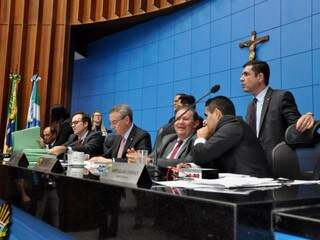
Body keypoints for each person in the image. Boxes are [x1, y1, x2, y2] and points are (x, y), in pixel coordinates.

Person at [240, 60, 314, 165]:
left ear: (260, 77)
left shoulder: (281, 97)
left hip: (279, 166)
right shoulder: (250, 106)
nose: (241, 79)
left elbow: (297, 127)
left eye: (246, 74)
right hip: (256, 168)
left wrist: (307, 118)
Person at [191, 96, 270, 177]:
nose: (205, 121)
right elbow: (209, 162)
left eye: (206, 116)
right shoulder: (231, 127)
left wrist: (201, 138)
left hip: (254, 185)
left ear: (217, 113)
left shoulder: (232, 127)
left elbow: (201, 156)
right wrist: (190, 166)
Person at [127, 107, 200, 168]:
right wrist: (137, 158)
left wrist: (150, 161)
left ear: (195, 124)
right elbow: (151, 157)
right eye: (177, 119)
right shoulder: (167, 138)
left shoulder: (197, 140)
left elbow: (187, 161)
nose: (180, 122)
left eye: (185, 119)